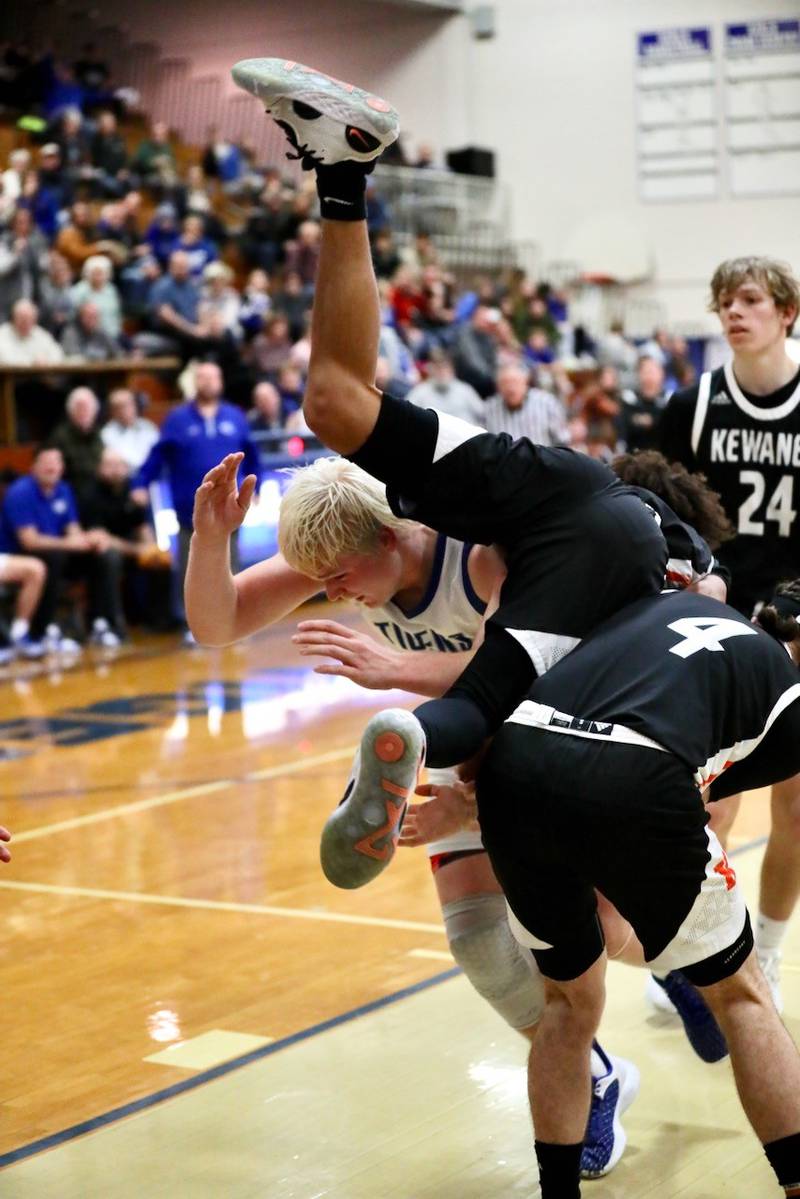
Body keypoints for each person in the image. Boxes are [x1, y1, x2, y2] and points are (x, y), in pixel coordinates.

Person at [186, 450, 641, 1180]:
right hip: (467, 744)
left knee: (608, 930)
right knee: (481, 946)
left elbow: (524, 670)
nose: (333, 593)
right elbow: (218, 623)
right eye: (322, 581)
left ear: (390, 536)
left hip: (570, 727)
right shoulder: (348, 550)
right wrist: (210, 540)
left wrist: (392, 669)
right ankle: (592, 1072)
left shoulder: (482, 553)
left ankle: (690, 958)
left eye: (339, 577)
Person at [401, 581, 800, 1199]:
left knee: (565, 1003)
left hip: (516, 765)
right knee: (743, 997)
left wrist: (469, 808)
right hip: (634, 778)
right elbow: (690, 801)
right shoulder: (789, 698)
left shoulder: (666, 605)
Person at [659, 255, 800, 1011]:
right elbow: (658, 503)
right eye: (722, 302)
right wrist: (693, 577)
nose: (732, 312)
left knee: (796, 804)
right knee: (705, 800)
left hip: (797, 612)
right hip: (714, 613)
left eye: (749, 299)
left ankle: (768, 952)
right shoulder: (693, 404)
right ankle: (701, 949)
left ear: (786, 311)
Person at [133, 361, 260, 631]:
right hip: (187, 510)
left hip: (229, 506)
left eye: (213, 377)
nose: (208, 382)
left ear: (221, 381)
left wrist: (255, 487)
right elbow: (158, 455)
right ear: (195, 382)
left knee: (230, 564)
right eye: (202, 378)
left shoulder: (235, 416)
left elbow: (253, 454)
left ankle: (233, 620)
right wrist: (141, 483)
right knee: (189, 568)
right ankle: (192, 624)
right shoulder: (177, 418)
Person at [0, 446, 126, 649]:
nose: (52, 467)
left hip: (57, 553)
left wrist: (90, 540)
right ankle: (42, 630)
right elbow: (29, 541)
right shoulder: (20, 492)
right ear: (34, 467)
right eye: (47, 462)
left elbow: (72, 530)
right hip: (20, 554)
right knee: (54, 558)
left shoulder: (64, 490)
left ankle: (100, 623)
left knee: (104, 555)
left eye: (57, 462)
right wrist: (70, 543)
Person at [483, 361, 570, 445]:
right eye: (505, 383)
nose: (510, 388)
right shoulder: (488, 409)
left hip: (540, 459)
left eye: (515, 382)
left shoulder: (546, 403)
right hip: (503, 459)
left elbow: (562, 440)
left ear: (525, 382)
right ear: (498, 387)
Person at [100, 387, 159, 471]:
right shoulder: (107, 433)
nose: (124, 410)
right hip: (126, 478)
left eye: (128, 404)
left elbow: (157, 453)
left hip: (150, 474)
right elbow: (122, 461)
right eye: (119, 407)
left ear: (135, 406)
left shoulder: (148, 426)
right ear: (113, 411)